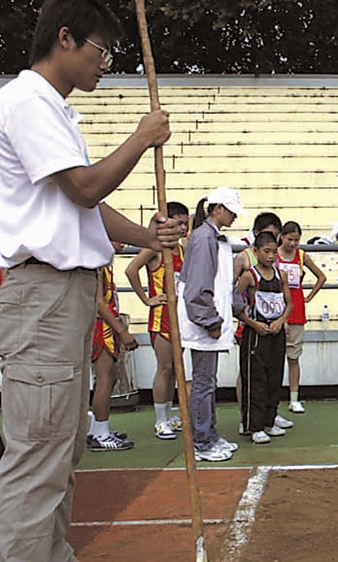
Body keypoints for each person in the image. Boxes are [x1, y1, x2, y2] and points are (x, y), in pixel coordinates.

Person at [0, 1, 182, 559]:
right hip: (43, 292)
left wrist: (147, 238)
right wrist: (141, 137)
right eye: (102, 51)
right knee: (39, 450)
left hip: (63, 293)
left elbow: (85, 204)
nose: (106, 64)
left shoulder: (53, 110)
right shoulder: (27, 102)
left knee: (60, 445)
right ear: (65, 38)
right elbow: (82, 188)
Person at [177, 186, 244, 462]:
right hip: (204, 321)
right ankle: (202, 440)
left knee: (207, 381)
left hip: (209, 319)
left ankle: (208, 433)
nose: (234, 217)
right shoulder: (205, 239)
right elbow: (198, 286)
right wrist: (210, 320)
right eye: (231, 211)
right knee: (204, 382)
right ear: (217, 209)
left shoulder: (210, 237)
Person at [125, 201, 190, 440]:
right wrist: (147, 298)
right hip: (161, 318)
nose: (183, 228)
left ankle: (169, 412)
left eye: (186, 223)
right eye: (179, 223)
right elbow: (131, 269)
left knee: (175, 369)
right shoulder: (156, 248)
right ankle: (160, 420)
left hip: (180, 318)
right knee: (164, 368)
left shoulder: (182, 249)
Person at [233, 231, 294, 443]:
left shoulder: (281, 275)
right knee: (255, 379)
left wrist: (280, 321)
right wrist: (253, 324)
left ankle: (269, 420)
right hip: (255, 333)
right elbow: (236, 306)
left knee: (274, 378)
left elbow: (289, 303)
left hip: (275, 333)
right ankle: (253, 425)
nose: (271, 256)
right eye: (266, 252)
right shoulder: (249, 276)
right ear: (256, 251)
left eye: (274, 252)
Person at [88, 246, 138, 451]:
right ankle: (100, 432)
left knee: (111, 377)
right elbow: (99, 302)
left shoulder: (105, 261)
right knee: (105, 378)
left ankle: (98, 428)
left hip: (108, 324)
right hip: (102, 326)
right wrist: (121, 330)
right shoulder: (98, 262)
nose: (123, 245)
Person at [277, 221, 327, 413]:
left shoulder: (301, 255)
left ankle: (294, 398)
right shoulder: (274, 255)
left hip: (296, 311)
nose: (293, 244)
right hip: (276, 310)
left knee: (294, 357)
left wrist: (309, 296)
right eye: (290, 239)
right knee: (274, 359)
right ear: (281, 236)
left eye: (296, 240)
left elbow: (321, 277)